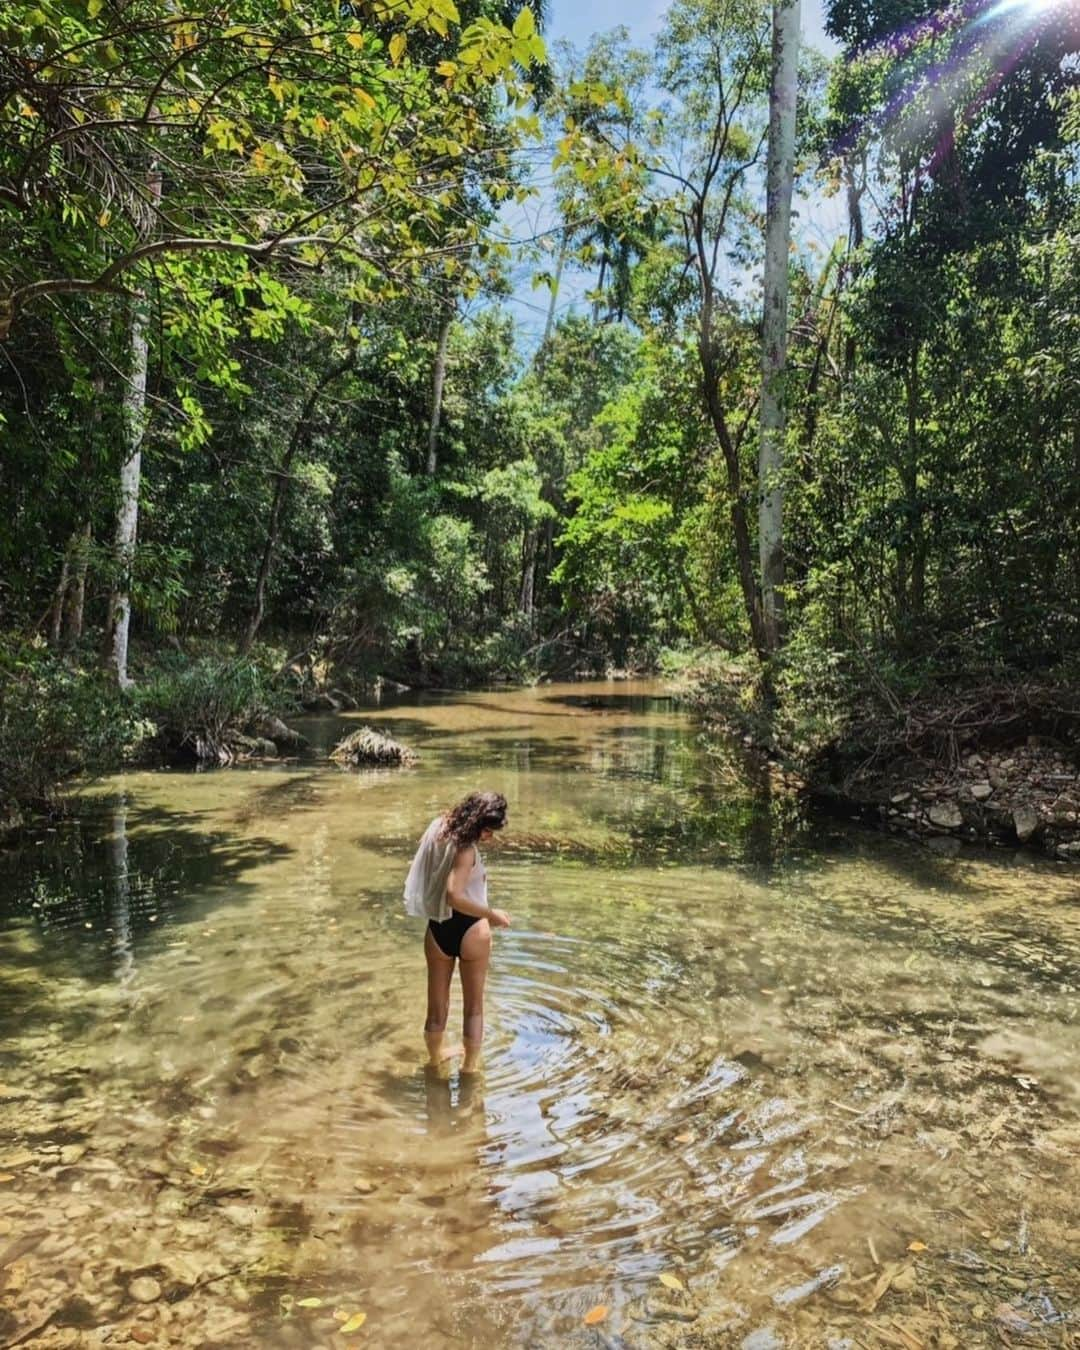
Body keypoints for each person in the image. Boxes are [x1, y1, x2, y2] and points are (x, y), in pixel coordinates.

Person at [403, 791, 511, 1073]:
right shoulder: (465, 849)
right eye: (488, 830)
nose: (489, 837)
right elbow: (454, 894)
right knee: (474, 1008)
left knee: (436, 1009)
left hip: (438, 928)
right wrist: (492, 915)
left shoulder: (438, 829)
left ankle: (435, 1061)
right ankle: (470, 1070)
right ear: (478, 823)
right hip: (471, 930)